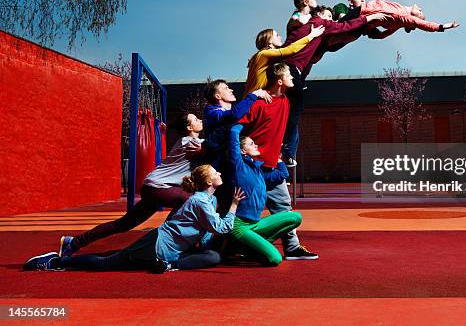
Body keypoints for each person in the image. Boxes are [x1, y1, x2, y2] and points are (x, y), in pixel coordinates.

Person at [24, 165, 244, 272]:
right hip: (156, 245)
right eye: (216, 173)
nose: (220, 175)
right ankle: (57, 261)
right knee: (105, 264)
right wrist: (233, 205)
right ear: (208, 182)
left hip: (168, 250)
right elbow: (219, 228)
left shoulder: (209, 201)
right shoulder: (200, 202)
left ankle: (170, 264)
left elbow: (206, 232)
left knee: (213, 256)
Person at [56, 113, 206, 258]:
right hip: (159, 187)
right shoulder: (190, 142)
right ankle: (171, 242)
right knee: (194, 201)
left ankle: (73, 243)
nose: (200, 120)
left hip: (154, 186)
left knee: (125, 223)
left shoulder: (189, 142)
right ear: (189, 128)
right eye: (196, 119)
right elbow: (218, 145)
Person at [281, 0, 390, 166]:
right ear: (306, 2)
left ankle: (289, 151)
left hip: (298, 70)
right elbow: (343, 24)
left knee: (293, 110)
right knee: (295, 109)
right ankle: (285, 145)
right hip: (290, 67)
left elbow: (348, 28)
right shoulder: (306, 19)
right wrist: (367, 17)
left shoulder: (319, 22)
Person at [240, 63, 317, 260]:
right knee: (245, 212)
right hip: (252, 168)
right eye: (289, 75)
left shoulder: (286, 101)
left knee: (284, 208)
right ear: (280, 81)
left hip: (272, 166)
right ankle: (234, 245)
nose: (294, 78)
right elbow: (235, 126)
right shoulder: (258, 103)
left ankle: (292, 247)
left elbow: (298, 86)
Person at [227, 124, 302, 266]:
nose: (256, 146)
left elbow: (282, 174)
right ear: (242, 150)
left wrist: (278, 159)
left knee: (295, 217)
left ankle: (253, 247)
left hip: (256, 224)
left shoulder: (258, 170)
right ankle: (243, 246)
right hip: (240, 226)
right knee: (275, 259)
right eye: (251, 144)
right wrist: (242, 121)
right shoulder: (238, 166)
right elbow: (233, 133)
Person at [243, 23, 324, 95]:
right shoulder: (264, 54)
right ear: (269, 40)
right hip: (253, 99)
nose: (280, 37)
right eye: (277, 35)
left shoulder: (269, 56)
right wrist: (311, 35)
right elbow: (290, 49)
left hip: (261, 97)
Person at [338, 0, 460, 33]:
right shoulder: (401, 9)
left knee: (339, 24)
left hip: (363, 13)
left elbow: (422, 24)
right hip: (365, 14)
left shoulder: (404, 16)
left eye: (421, 13)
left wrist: (441, 27)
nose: (420, 8)